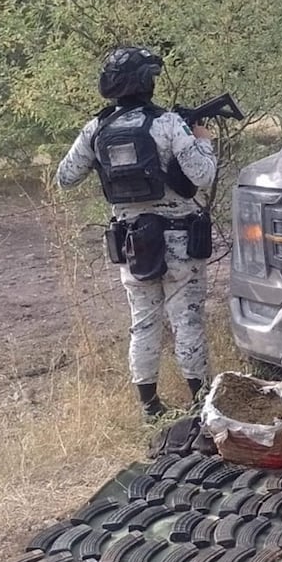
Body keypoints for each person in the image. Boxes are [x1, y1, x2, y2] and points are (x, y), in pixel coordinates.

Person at [56, 46, 217, 420]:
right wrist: (204, 140)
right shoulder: (166, 124)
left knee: (143, 323)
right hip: (180, 240)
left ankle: (150, 408)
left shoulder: (96, 128)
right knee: (186, 321)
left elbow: (64, 178)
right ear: (147, 82)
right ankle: (202, 406)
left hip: (133, 244)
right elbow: (203, 176)